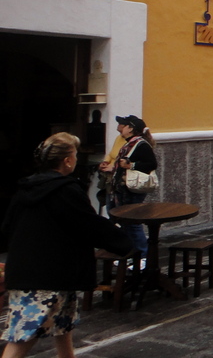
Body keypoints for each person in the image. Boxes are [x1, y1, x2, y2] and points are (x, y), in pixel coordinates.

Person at [2, 133, 133, 358]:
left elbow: (7, 229)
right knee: (23, 336)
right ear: (67, 161)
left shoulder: (26, 189)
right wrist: (124, 242)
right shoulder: (66, 190)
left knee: (62, 327)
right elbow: (89, 224)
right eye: (74, 154)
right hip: (47, 277)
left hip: (35, 272)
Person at [99, 115, 156, 256]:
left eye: (123, 125)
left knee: (132, 223)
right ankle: (130, 254)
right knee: (123, 223)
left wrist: (131, 165)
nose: (120, 127)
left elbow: (152, 164)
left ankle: (142, 255)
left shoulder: (141, 144)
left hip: (131, 190)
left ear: (130, 128)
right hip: (120, 189)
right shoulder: (127, 143)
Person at [95, 119, 127, 216]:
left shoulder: (130, 142)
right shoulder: (118, 138)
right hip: (110, 178)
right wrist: (105, 162)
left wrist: (113, 168)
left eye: (120, 123)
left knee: (119, 208)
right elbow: (111, 153)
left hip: (119, 178)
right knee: (110, 206)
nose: (118, 125)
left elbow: (125, 160)